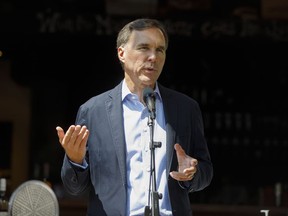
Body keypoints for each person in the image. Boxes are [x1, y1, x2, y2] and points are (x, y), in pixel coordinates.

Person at [56, 18, 213, 216]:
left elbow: (206, 173)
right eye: (144, 48)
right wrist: (76, 160)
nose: (153, 57)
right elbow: (74, 189)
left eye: (160, 50)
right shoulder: (93, 111)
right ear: (121, 53)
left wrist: (192, 173)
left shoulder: (185, 108)